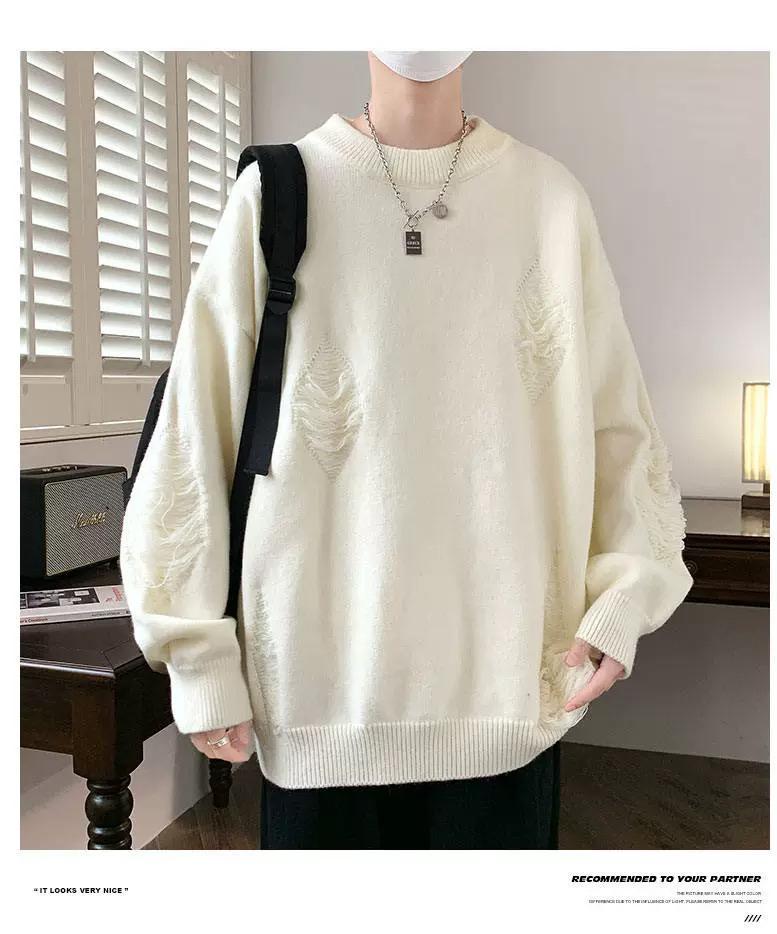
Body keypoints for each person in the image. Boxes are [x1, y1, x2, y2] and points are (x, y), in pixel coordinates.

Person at [120, 50, 693, 849]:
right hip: (320, 704)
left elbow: (619, 430)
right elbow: (192, 436)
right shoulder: (276, 194)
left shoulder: (551, 203)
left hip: (508, 703)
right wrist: (197, 655)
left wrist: (626, 593)